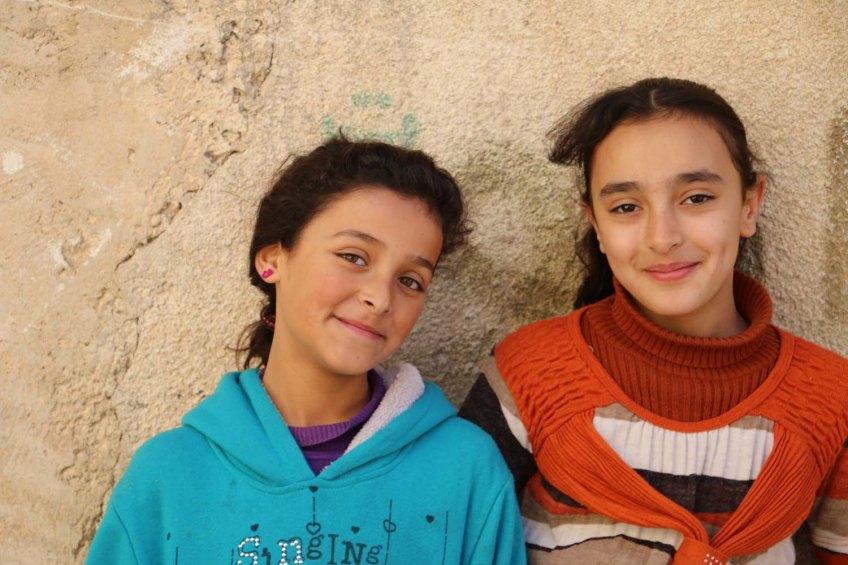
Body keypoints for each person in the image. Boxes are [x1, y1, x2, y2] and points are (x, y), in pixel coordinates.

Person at [460, 78, 848, 564]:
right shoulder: (527, 374)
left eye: (697, 198)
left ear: (749, 205)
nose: (662, 237)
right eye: (625, 207)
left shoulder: (831, 398)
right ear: (596, 225)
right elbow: (451, 536)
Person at [88, 137, 525, 564]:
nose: (381, 297)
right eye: (354, 256)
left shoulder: (465, 472)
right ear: (272, 260)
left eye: (410, 280)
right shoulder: (169, 477)